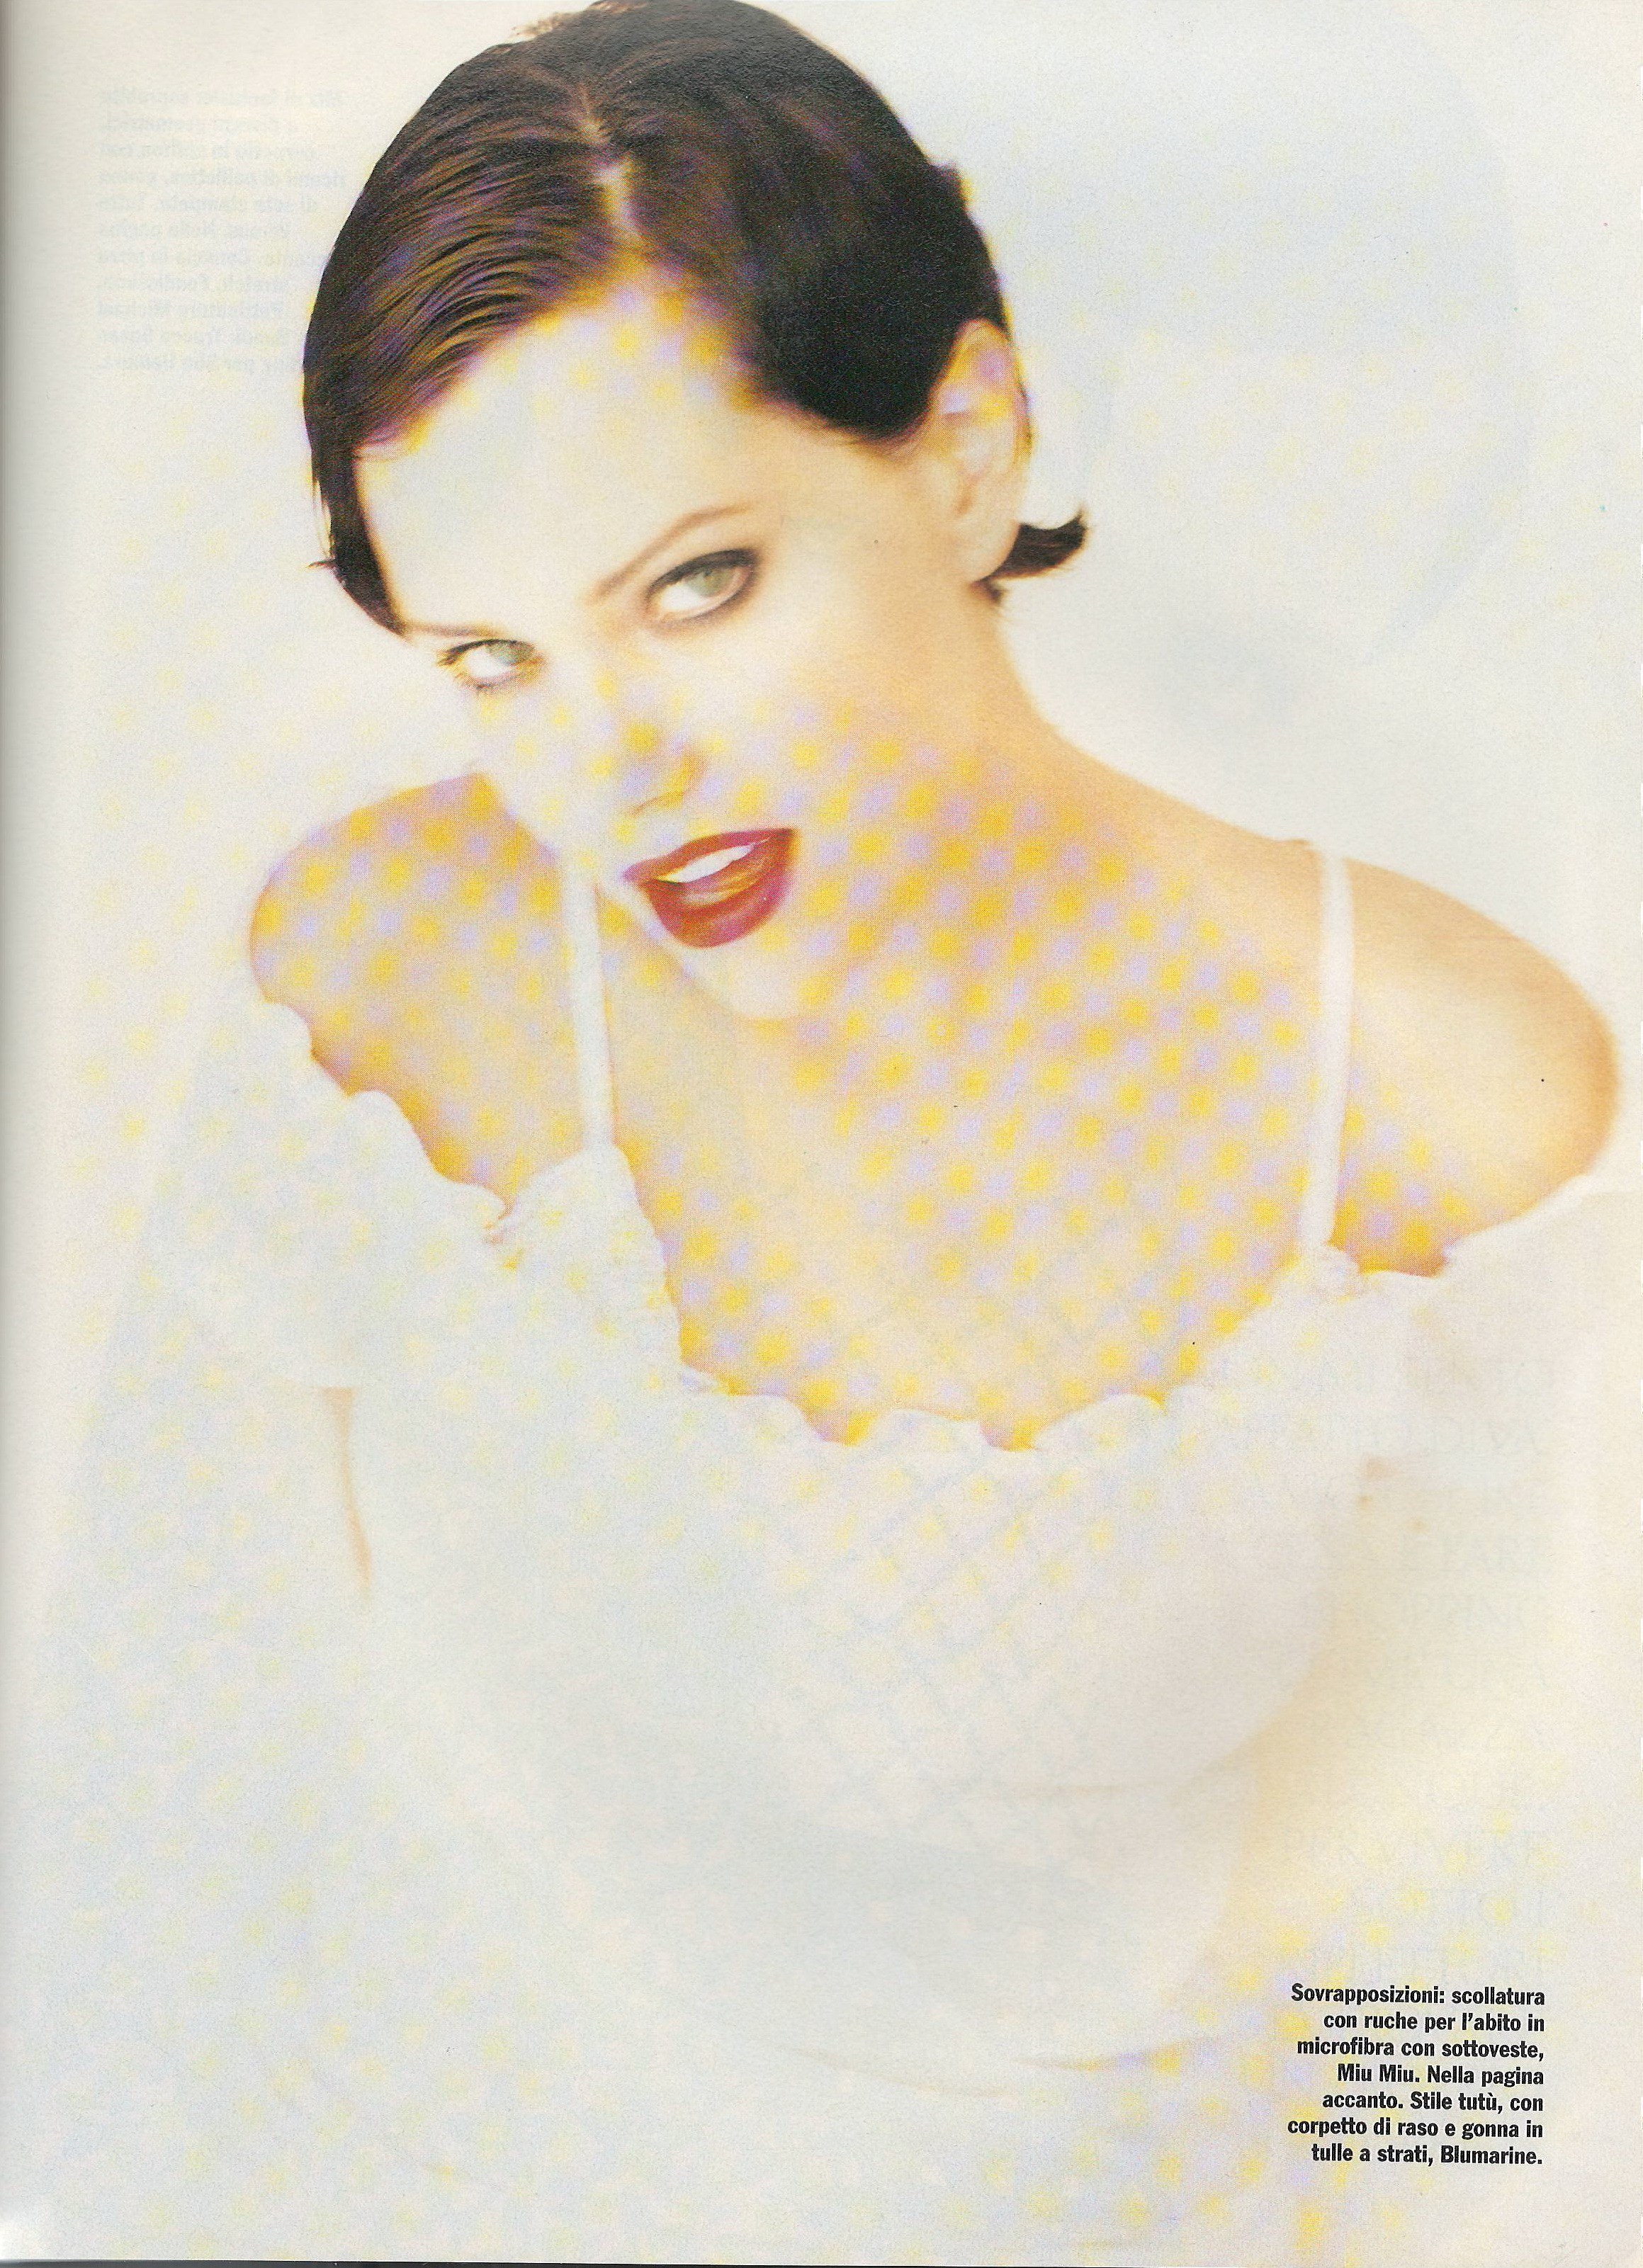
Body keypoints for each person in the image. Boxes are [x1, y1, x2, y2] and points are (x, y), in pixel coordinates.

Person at [21, 2, 1631, 2259]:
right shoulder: (386, 971)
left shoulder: (1442, 1087)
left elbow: (1465, 1967)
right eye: (493, 659)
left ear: (964, 449)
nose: (612, 769)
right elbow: (160, 1765)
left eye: (696, 583)